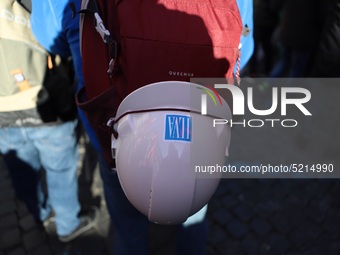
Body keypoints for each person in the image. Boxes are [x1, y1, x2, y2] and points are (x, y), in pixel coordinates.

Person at [30, 0, 253, 254]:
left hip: (118, 130)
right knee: (193, 213)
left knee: (128, 228)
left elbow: (50, 37)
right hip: (199, 133)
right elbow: (242, 49)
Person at [0, 0, 98, 243]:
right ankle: (67, 224)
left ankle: (39, 214)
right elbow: (57, 39)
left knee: (22, 170)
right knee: (60, 171)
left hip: (3, 113)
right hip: (46, 103)